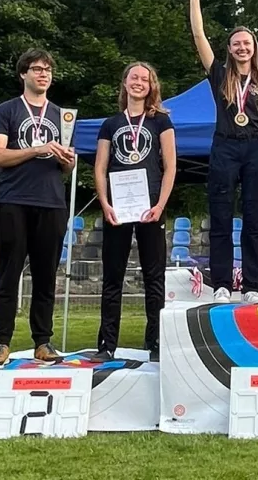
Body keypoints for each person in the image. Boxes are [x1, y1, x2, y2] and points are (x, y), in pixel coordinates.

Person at [187, 0, 258, 303]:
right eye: (236, 43)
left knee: (255, 219)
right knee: (221, 216)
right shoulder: (219, 76)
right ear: (229, 49)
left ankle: (252, 287)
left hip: (256, 148)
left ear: (254, 48)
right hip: (225, 146)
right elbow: (198, 34)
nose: (242, 47)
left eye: (247, 43)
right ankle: (223, 285)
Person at [0, 49, 76, 366]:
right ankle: (1, 342)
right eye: (36, 69)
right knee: (9, 273)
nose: (43, 74)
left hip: (51, 202)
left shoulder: (61, 115)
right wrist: (37, 148)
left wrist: (68, 161)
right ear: (23, 74)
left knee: (45, 275)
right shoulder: (6, 111)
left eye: (48, 69)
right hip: (14, 200)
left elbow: (64, 167)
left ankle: (43, 341)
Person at [94, 62, 176, 361]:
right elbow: (100, 168)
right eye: (134, 77)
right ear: (125, 83)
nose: (139, 83)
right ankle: (106, 344)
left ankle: (155, 342)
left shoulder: (161, 122)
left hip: (150, 208)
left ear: (151, 85)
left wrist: (160, 205)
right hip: (117, 208)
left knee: (154, 277)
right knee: (112, 276)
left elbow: (170, 167)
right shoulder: (111, 124)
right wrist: (105, 203)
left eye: (145, 79)